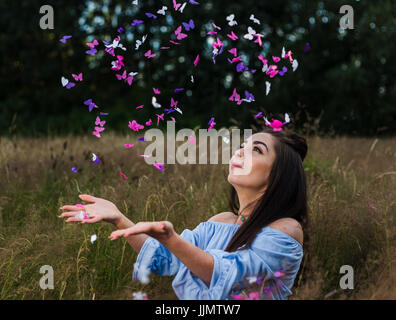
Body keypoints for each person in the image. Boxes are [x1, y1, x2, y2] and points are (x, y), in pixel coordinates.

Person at [59, 128, 309, 300]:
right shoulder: (219, 222)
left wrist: (171, 238)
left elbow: (233, 276)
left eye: (257, 150)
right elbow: (164, 258)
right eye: (242, 145)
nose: (240, 152)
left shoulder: (285, 228)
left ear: (279, 175)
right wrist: (118, 218)